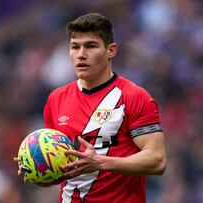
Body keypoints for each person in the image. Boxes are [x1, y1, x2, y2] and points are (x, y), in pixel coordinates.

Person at [18, 12, 167, 203]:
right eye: (75, 47)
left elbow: (157, 160)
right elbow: (57, 161)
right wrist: (35, 164)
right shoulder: (56, 100)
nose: (81, 54)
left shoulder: (134, 97)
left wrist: (101, 163)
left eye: (90, 46)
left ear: (111, 50)